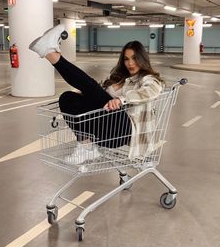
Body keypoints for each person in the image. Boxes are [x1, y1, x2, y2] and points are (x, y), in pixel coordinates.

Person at [29, 24, 164, 164]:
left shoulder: (149, 80)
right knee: (68, 98)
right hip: (104, 128)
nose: (130, 63)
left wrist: (121, 99)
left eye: (135, 58)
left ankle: (50, 54)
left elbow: (149, 92)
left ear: (142, 59)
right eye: (126, 59)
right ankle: (86, 148)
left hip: (123, 132)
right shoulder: (119, 79)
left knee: (90, 86)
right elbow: (98, 96)